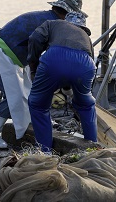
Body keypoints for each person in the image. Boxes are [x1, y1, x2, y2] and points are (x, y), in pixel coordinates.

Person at [0, 0, 87, 149]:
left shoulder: (50, 20)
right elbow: (40, 51)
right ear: (67, 13)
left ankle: (33, 119)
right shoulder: (52, 24)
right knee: (13, 97)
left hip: (13, 57)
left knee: (31, 92)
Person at [27, 11, 97, 152]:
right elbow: (89, 65)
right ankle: (92, 149)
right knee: (86, 105)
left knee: (38, 105)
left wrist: (33, 63)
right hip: (86, 64)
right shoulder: (86, 38)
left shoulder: (53, 23)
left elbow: (35, 38)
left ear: (66, 21)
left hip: (54, 58)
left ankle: (45, 151)